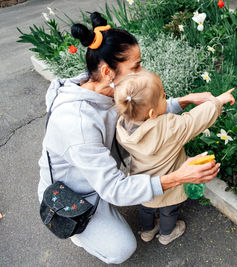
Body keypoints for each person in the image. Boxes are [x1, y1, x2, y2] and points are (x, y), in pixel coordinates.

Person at [37, 12, 219, 264]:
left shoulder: (107, 89)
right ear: (107, 72)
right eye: (135, 66)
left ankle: (111, 211)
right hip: (76, 195)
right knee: (122, 248)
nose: (142, 71)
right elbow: (114, 188)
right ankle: (79, 232)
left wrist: (184, 101)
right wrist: (179, 176)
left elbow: (144, 111)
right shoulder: (77, 123)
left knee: (132, 196)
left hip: (102, 177)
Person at [114, 71, 235, 245]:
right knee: (168, 210)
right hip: (168, 183)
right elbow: (193, 120)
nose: (166, 98)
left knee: (146, 209)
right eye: (164, 97)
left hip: (142, 182)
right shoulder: (169, 127)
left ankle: (147, 231)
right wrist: (217, 101)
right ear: (152, 113)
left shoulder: (123, 126)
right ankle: (166, 234)